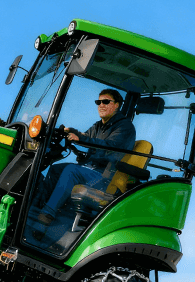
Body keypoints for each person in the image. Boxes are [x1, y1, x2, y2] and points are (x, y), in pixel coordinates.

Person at [35, 89, 135, 225]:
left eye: (106, 101)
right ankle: (37, 208)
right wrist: (71, 132)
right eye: (98, 102)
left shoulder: (124, 127)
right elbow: (86, 136)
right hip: (90, 169)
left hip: (105, 175)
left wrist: (81, 138)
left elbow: (109, 146)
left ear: (117, 105)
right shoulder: (99, 125)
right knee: (55, 169)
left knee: (71, 171)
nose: (101, 105)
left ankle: (47, 215)